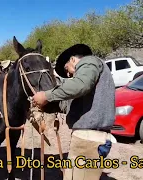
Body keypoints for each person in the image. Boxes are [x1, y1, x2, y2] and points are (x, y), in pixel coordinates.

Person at [32, 44, 117, 180]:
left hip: (89, 139)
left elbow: (80, 85)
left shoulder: (90, 62)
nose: (68, 74)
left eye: (66, 69)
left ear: (72, 59)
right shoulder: (88, 80)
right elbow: (69, 105)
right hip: (86, 139)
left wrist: (46, 96)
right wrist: (47, 104)